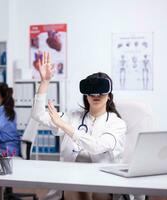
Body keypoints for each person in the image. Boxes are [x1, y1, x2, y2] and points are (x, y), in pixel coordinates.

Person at [32, 52, 126, 200]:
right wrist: (44, 81)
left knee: (99, 194)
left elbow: (96, 147)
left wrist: (64, 126)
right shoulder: (73, 116)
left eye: (101, 92)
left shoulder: (117, 124)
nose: (96, 95)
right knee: (74, 191)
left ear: (109, 95)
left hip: (103, 179)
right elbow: (38, 115)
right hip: (73, 177)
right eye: (92, 92)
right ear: (86, 95)